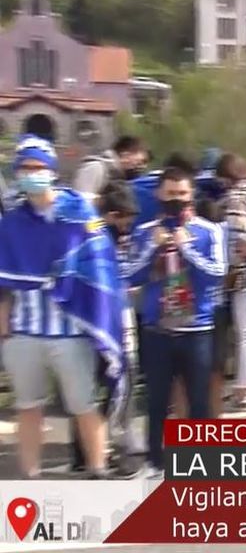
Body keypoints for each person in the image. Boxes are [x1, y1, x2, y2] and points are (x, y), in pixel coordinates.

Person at [0, 135, 117, 479]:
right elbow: (3, 278)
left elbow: (100, 262)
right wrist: (3, 321)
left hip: (71, 330)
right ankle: (30, 477)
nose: (31, 174)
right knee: (28, 407)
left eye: (37, 168)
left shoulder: (78, 212)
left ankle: (98, 469)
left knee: (83, 404)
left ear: (51, 171)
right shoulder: (11, 223)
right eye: (25, 168)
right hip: (25, 330)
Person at [124, 164, 226, 475]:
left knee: (198, 401)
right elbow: (129, 274)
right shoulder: (144, 232)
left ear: (191, 194)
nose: (176, 200)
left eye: (182, 194)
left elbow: (217, 274)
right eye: (171, 194)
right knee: (156, 401)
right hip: (158, 329)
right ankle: (155, 461)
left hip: (197, 329)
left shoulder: (210, 231)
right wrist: (153, 248)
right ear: (159, 194)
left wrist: (187, 249)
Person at [67, 181, 144, 476]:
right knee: (115, 385)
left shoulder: (94, 234)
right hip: (103, 324)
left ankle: (86, 453)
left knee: (88, 391)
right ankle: (97, 449)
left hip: (96, 322)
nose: (128, 224)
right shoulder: (98, 237)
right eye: (125, 217)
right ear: (113, 214)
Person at [214, 153, 246, 409]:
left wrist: (227, 269)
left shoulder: (235, 198)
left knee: (243, 332)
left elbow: (236, 239)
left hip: (242, 272)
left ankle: (245, 387)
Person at [69, 135, 147, 201]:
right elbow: (79, 200)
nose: (141, 167)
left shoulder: (117, 177)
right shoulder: (95, 168)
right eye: (138, 163)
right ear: (125, 156)